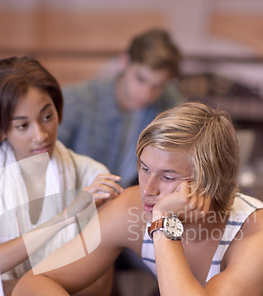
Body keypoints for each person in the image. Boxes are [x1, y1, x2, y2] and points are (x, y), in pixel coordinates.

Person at [12, 101, 263, 296]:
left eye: (168, 177)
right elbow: (28, 291)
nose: (149, 188)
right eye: (144, 168)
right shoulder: (132, 209)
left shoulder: (261, 234)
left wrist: (163, 222)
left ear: (209, 182)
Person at [0, 56, 123, 296]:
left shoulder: (92, 175)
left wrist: (9, 289)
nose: (41, 135)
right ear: (0, 129)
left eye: (47, 117)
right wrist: (63, 217)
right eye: (22, 126)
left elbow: (99, 288)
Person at [57, 28, 184, 188]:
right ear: (125, 62)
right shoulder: (76, 100)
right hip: (81, 198)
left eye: (157, 86)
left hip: (132, 198)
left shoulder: (167, 100)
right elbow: (49, 162)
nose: (146, 94)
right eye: (140, 79)